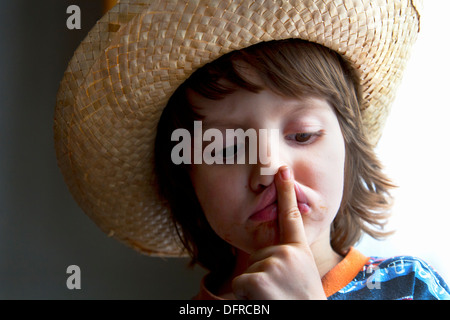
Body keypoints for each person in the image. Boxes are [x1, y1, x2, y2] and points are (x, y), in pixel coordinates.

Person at [54, 0, 449, 299]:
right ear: (187, 179)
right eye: (227, 149)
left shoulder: (410, 287)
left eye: (303, 135)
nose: (269, 168)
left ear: (348, 148)